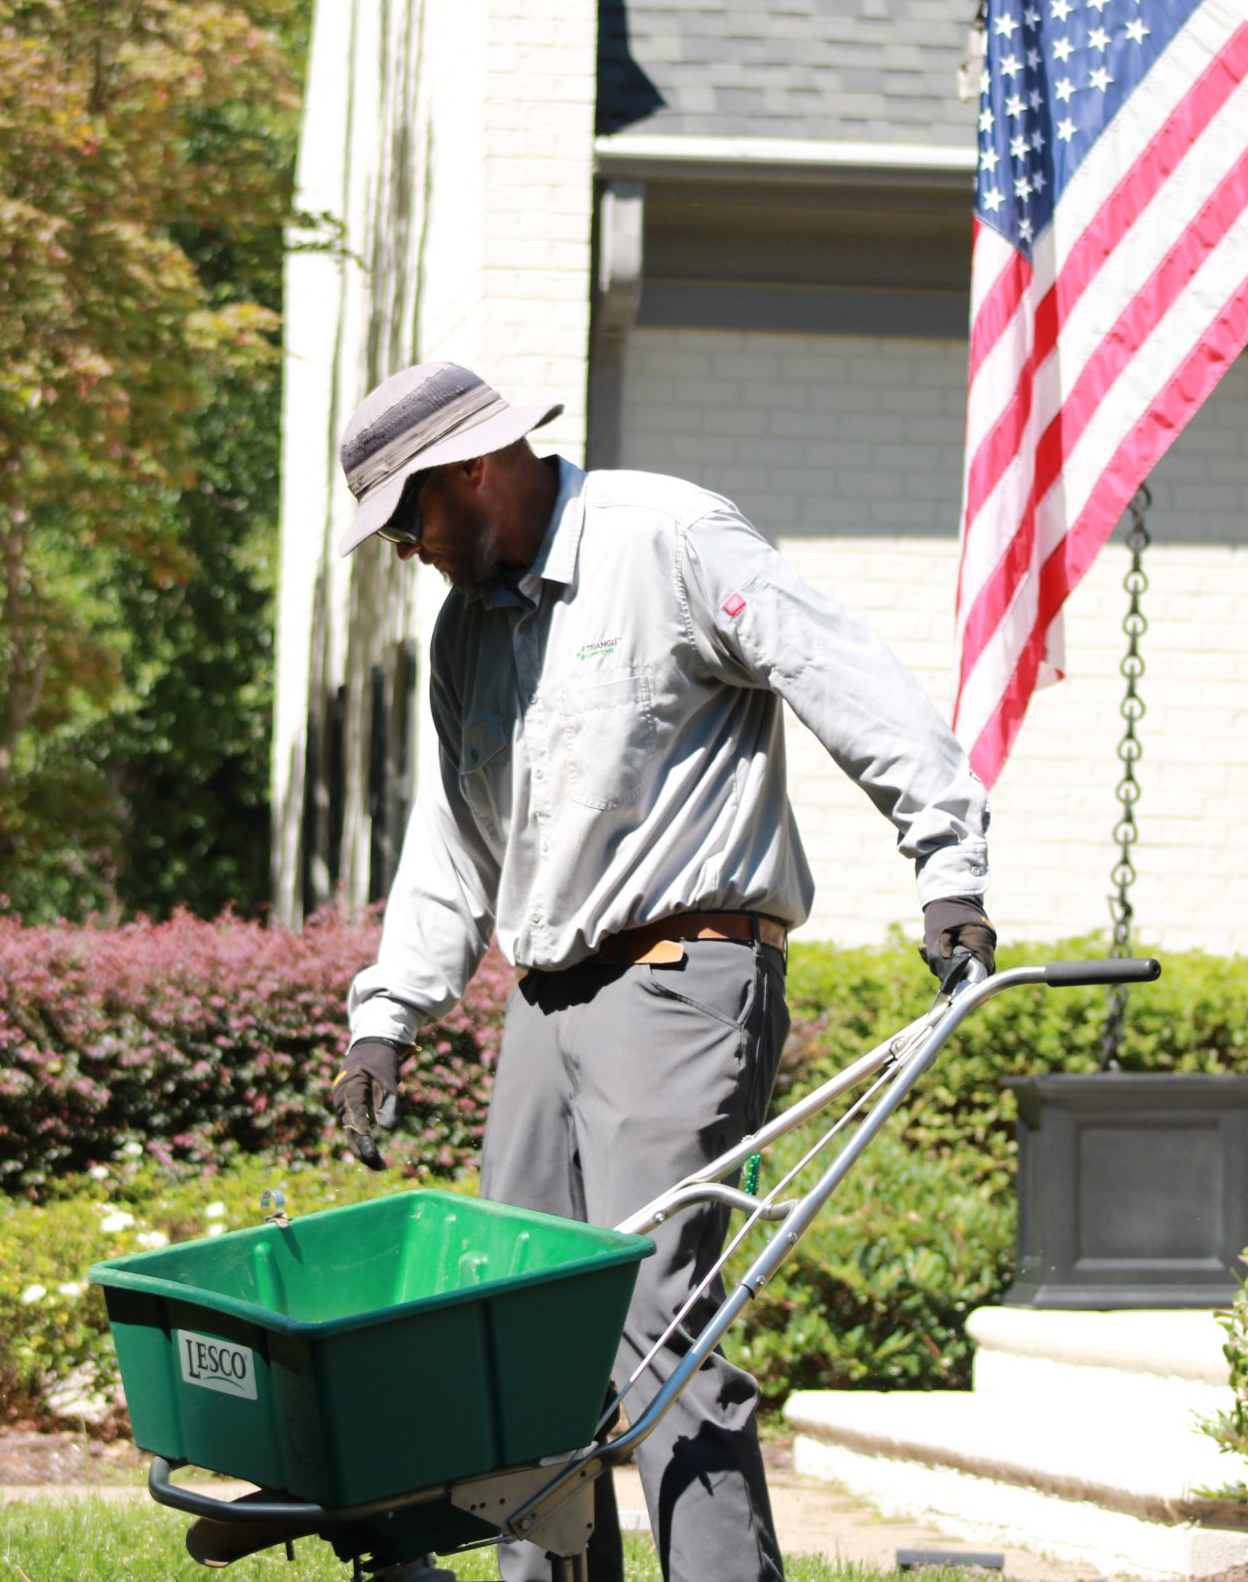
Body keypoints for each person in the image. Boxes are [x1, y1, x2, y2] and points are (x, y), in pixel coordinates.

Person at [323, 361, 995, 1582]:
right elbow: (454, 839)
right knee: (516, 1333)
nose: (406, 550)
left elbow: (848, 678)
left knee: (659, 1328)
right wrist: (389, 1015)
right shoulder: (467, 630)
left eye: (408, 519)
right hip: (545, 999)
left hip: (682, 978)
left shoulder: (669, 539)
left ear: (473, 472)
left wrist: (945, 863)